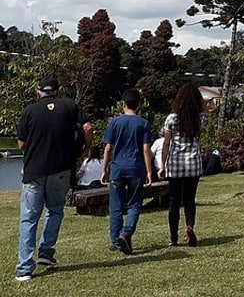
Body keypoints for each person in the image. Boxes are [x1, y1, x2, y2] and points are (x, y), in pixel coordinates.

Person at [15, 77, 92, 282]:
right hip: (61, 169)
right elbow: (87, 128)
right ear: (57, 92)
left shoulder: (29, 111)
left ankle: (24, 268)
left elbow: (21, 144)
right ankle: (46, 253)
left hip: (34, 170)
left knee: (29, 217)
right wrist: (85, 149)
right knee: (55, 210)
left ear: (37, 91)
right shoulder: (69, 106)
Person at [101, 88, 153, 255]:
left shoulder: (114, 123)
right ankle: (127, 232)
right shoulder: (143, 123)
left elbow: (108, 148)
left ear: (122, 104)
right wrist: (149, 171)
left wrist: (104, 169)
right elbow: (146, 149)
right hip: (136, 167)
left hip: (117, 167)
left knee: (116, 205)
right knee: (134, 204)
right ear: (139, 105)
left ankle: (116, 240)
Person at [159, 83, 204, 247]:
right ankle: (190, 226)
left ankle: (173, 238)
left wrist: (162, 165)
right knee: (190, 199)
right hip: (193, 163)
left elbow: (166, 144)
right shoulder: (199, 119)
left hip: (176, 164)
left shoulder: (171, 119)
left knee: (174, 201)